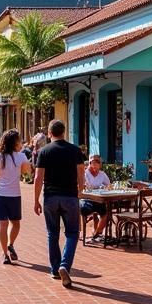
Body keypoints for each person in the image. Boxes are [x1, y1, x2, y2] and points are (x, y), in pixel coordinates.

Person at [33, 119, 86, 288]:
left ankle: (55, 269)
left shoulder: (44, 151)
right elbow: (81, 175)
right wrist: (80, 191)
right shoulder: (75, 151)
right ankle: (65, 265)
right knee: (72, 233)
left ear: (49, 133)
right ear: (64, 132)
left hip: (50, 197)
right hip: (70, 196)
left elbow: (38, 178)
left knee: (52, 234)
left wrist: (36, 200)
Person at [0, 129, 31, 265]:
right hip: (14, 194)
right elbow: (27, 173)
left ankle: (5, 254)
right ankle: (10, 244)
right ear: (15, 142)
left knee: (3, 225)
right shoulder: (21, 156)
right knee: (16, 224)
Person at [81, 154, 112, 243]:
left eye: (97, 161)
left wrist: (106, 187)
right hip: (86, 200)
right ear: (89, 163)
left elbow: (109, 185)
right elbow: (88, 187)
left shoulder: (102, 174)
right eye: (93, 161)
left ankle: (96, 234)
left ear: (100, 164)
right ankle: (95, 234)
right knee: (95, 210)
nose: (95, 163)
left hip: (98, 200)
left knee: (106, 214)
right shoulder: (85, 173)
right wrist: (100, 187)